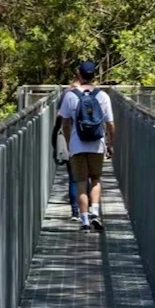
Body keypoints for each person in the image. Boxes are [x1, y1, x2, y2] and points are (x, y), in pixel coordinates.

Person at [59, 61, 115, 232]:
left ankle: (84, 221)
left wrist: (69, 142)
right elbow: (111, 124)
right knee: (96, 179)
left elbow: (65, 123)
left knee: (81, 181)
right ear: (94, 75)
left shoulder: (70, 95)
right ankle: (95, 214)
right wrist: (110, 144)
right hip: (97, 145)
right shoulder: (103, 96)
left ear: (79, 74)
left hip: (77, 145)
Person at [51, 82, 80, 218]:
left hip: (71, 142)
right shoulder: (94, 93)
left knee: (73, 178)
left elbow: (60, 120)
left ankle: (75, 211)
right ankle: (90, 209)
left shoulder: (66, 94)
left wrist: (57, 141)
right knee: (89, 176)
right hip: (90, 142)